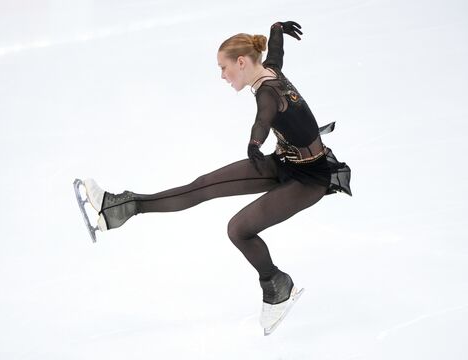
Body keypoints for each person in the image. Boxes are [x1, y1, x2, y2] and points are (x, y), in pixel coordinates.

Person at [76, 21, 352, 336]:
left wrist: (254, 143)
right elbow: (276, 51)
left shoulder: (266, 92)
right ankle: (117, 208)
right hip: (285, 161)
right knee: (203, 185)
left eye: (223, 68)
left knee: (238, 229)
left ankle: (277, 286)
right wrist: (276, 29)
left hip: (310, 179)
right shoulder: (270, 69)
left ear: (242, 62)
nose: (222, 75)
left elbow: (263, 119)